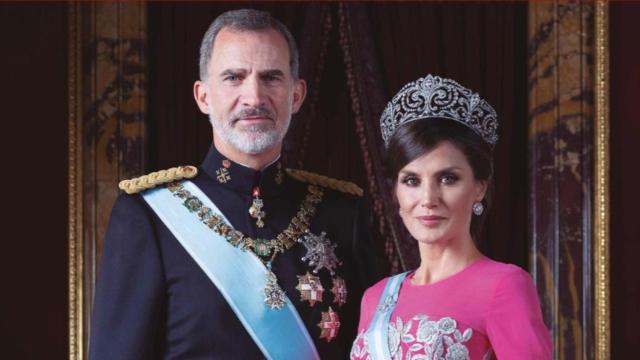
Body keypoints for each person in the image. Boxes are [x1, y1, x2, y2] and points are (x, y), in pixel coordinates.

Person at [89, 9, 373, 360]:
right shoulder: (150, 217)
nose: (253, 97)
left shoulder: (343, 214)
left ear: (296, 95)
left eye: (271, 77)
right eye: (234, 78)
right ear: (203, 96)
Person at [350, 74, 552, 359]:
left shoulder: (503, 286)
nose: (428, 199)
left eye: (447, 179)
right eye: (411, 181)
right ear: (396, 191)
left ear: (479, 187)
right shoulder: (376, 297)